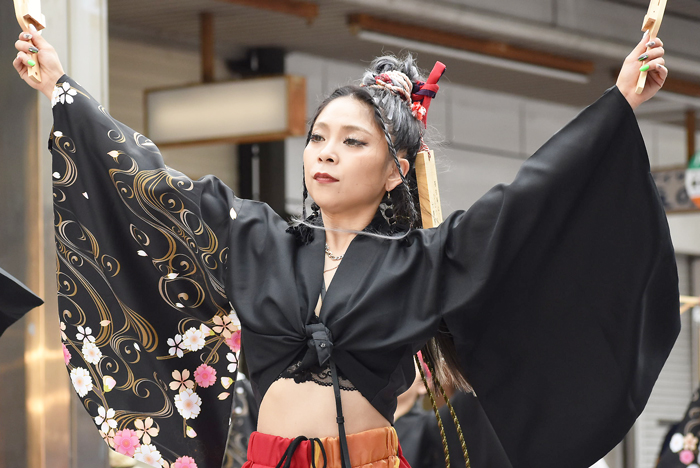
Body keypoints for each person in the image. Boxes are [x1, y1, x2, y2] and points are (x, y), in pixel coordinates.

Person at [10, 24, 680, 468]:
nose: (326, 154)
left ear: (395, 170)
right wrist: (62, 90)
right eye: (318, 138)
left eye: (352, 142)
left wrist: (620, 99)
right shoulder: (258, 236)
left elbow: (532, 200)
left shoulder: (422, 262)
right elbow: (152, 180)